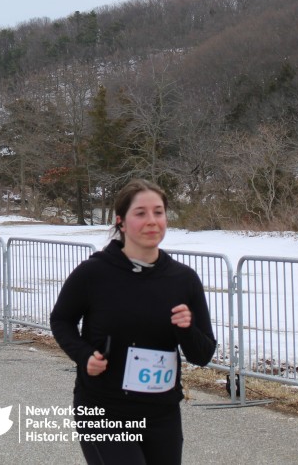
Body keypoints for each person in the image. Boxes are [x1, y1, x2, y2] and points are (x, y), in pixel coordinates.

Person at [50, 179, 217, 465]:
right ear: (121, 222)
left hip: (161, 413)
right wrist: (84, 355)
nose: (152, 221)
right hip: (104, 409)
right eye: (141, 213)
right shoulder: (94, 273)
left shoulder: (183, 280)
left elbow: (202, 355)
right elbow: (61, 320)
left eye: (158, 212)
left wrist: (186, 329)